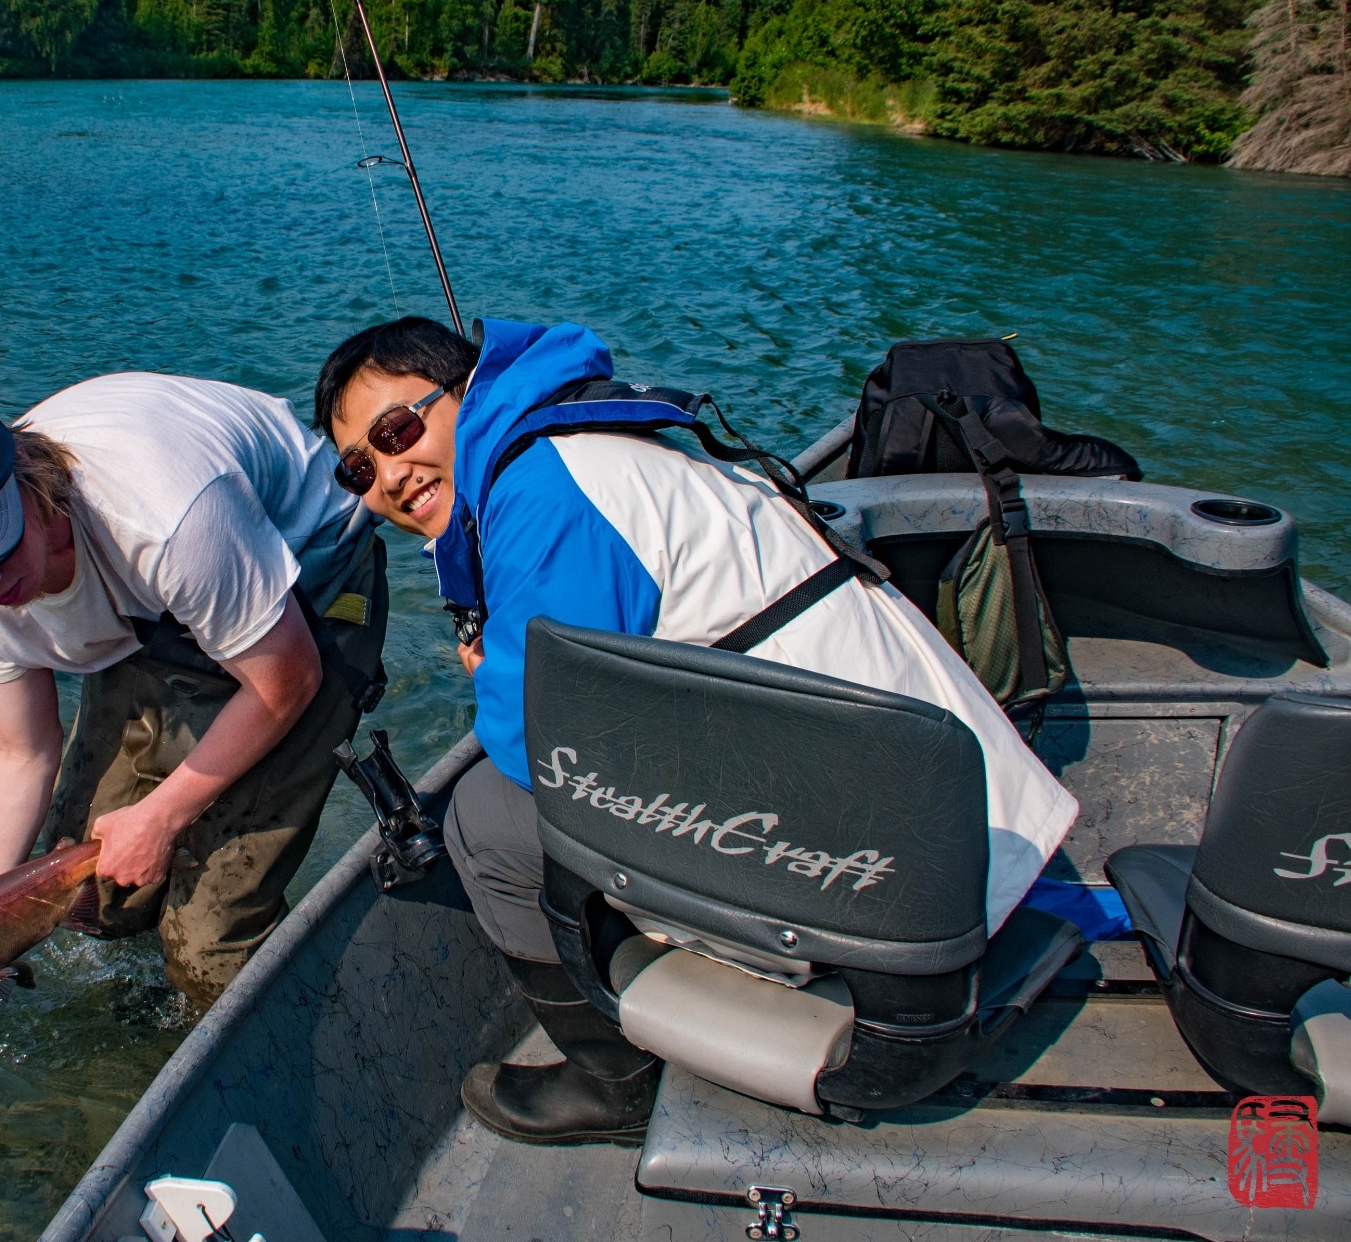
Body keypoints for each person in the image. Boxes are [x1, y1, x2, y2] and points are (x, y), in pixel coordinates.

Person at [314, 315, 1077, 1144]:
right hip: (964, 832)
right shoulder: (585, 435)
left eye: (398, 430)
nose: (390, 475)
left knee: (485, 816)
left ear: (462, 392)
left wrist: (496, 670)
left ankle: (614, 1080)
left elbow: (537, 744)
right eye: (360, 468)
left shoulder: (539, 492)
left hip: (894, 919)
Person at [0, 375, 387, 1008]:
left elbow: (287, 680)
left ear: (26, 479)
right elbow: (19, 749)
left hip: (304, 594)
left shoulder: (163, 516)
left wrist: (161, 817)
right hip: (153, 614)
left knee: (209, 950)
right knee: (98, 898)